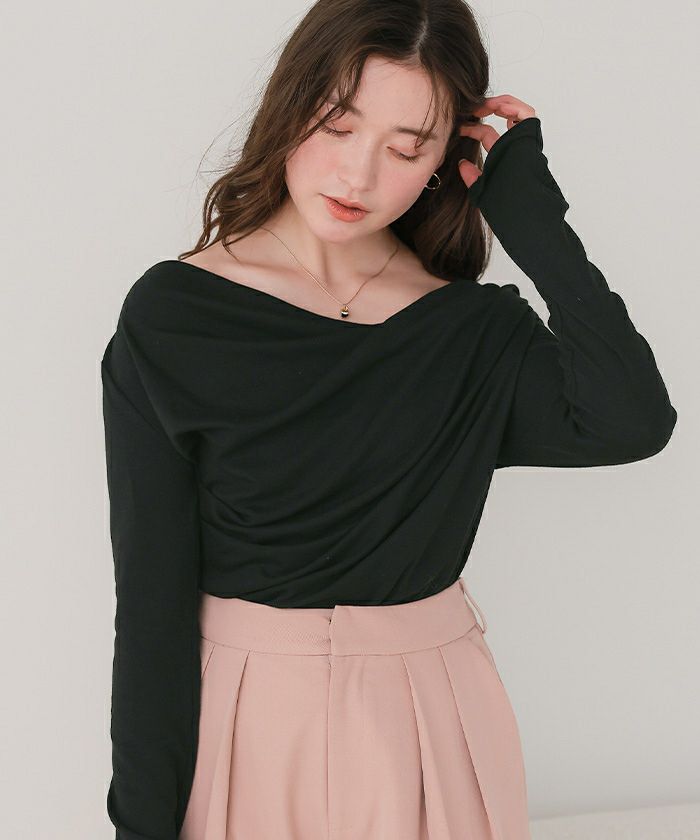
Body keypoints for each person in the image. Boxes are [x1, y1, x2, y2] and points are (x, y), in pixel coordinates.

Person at [100, 1, 678, 838]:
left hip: (434, 719)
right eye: (338, 126)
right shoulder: (178, 317)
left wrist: (535, 222)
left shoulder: (470, 331)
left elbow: (632, 421)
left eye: (407, 148)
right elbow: (151, 607)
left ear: (447, 158)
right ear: (290, 104)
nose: (358, 176)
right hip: (245, 726)